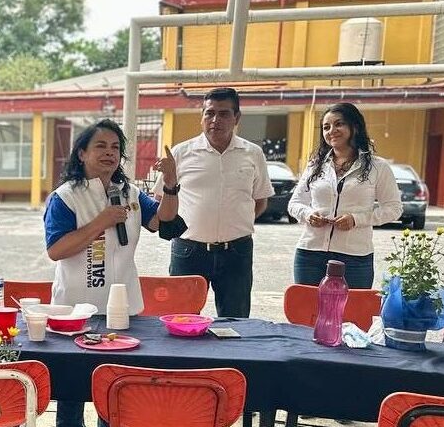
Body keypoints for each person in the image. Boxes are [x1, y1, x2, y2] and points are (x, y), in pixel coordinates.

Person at [44, 119, 165, 427]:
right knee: (71, 384)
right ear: (82, 153)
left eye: (115, 147)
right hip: (75, 308)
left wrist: (170, 184)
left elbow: (163, 222)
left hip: (120, 307)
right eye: (100, 146)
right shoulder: (65, 197)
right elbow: (56, 250)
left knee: (114, 382)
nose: (109, 153)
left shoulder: (129, 193)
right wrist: (100, 222)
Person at [154, 87, 274, 317]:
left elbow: (260, 201)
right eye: (209, 113)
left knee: (236, 322)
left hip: (236, 252)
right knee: (181, 319)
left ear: (236, 118)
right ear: (202, 117)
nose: (215, 120)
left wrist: (235, 223)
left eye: (224, 114)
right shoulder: (181, 153)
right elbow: (161, 198)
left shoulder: (252, 153)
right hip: (189, 250)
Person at [287, 103, 401, 289]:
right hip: (310, 253)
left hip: (355, 257)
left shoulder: (378, 167)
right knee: (307, 314)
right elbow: (295, 203)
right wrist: (308, 215)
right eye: (326, 127)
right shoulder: (316, 165)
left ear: (354, 127)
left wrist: (356, 219)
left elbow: (394, 209)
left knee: (351, 315)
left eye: (338, 124)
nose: (332, 131)